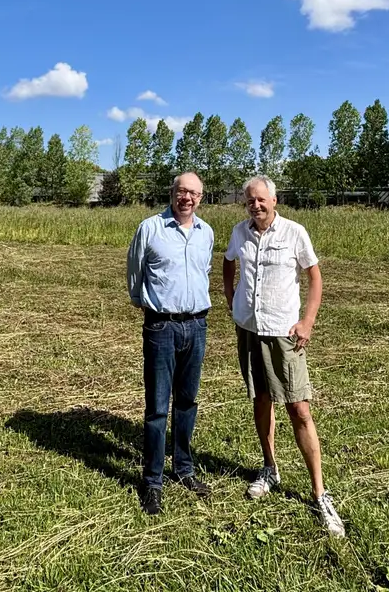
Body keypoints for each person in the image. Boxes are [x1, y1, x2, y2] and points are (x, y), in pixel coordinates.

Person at [223, 174, 345, 537]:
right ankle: (269, 468)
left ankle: (319, 493)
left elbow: (315, 277)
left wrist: (307, 321)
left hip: (283, 332)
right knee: (261, 399)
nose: (256, 206)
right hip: (249, 328)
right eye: (250, 201)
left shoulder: (295, 232)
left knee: (299, 408)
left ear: (275, 201)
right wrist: (231, 297)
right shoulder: (238, 233)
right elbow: (229, 264)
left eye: (261, 200)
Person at [125, 171, 216, 515]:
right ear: (172, 193)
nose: (187, 198)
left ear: (200, 198)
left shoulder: (206, 232)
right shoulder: (150, 228)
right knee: (158, 407)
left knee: (188, 401)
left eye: (193, 193)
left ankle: (184, 469)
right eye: (182, 191)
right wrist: (144, 302)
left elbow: (204, 270)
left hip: (197, 325)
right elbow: (135, 271)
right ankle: (152, 481)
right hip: (161, 326)